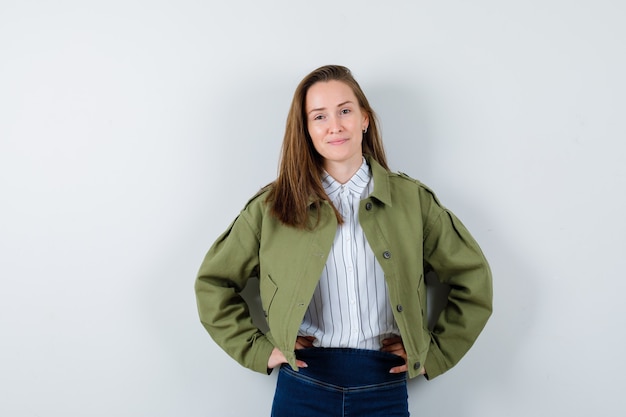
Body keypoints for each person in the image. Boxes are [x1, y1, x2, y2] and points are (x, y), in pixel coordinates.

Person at [194, 65, 493, 417]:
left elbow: (473, 279)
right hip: (303, 382)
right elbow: (213, 283)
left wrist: (437, 352)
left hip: (384, 383)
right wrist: (260, 350)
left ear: (364, 119)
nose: (334, 125)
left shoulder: (413, 201)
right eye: (319, 116)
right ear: (306, 129)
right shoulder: (272, 207)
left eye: (345, 111)